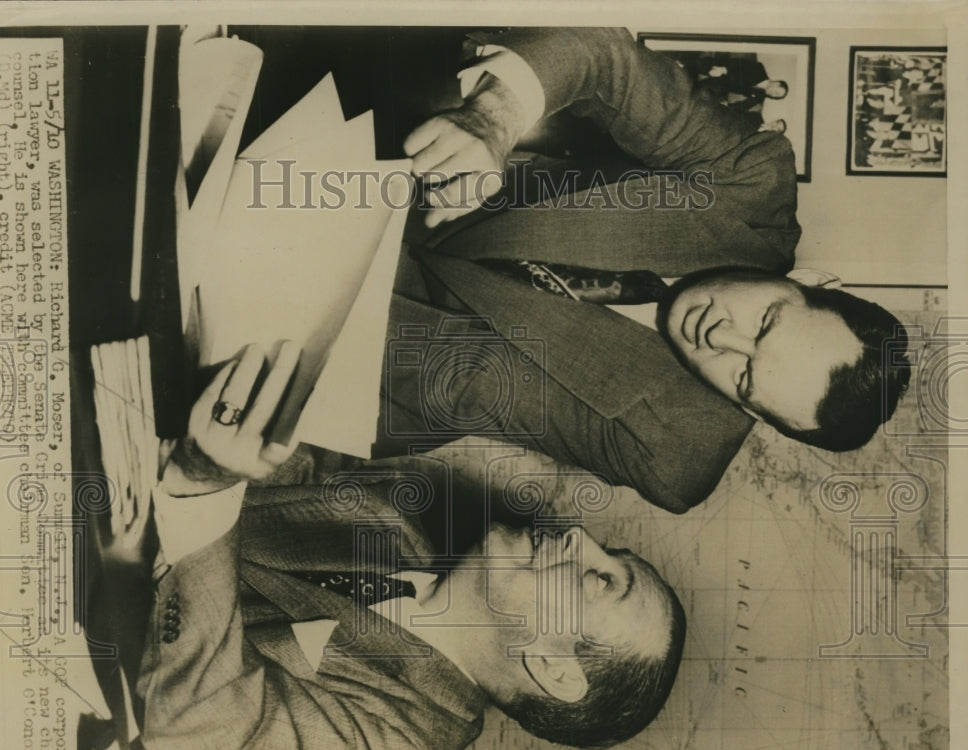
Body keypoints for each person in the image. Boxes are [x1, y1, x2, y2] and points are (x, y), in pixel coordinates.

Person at [372, 27, 910, 511]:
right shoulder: (749, 182)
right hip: (411, 169)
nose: (719, 337)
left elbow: (462, 382)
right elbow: (604, 57)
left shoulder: (674, 452)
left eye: (744, 378)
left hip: (375, 360)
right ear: (812, 283)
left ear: (760, 417)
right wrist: (494, 118)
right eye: (765, 322)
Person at [135, 341, 687, 750]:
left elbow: (205, 739)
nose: (576, 535)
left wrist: (200, 492)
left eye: (599, 580)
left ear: (554, 670)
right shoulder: (401, 514)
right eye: (610, 551)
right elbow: (252, 448)